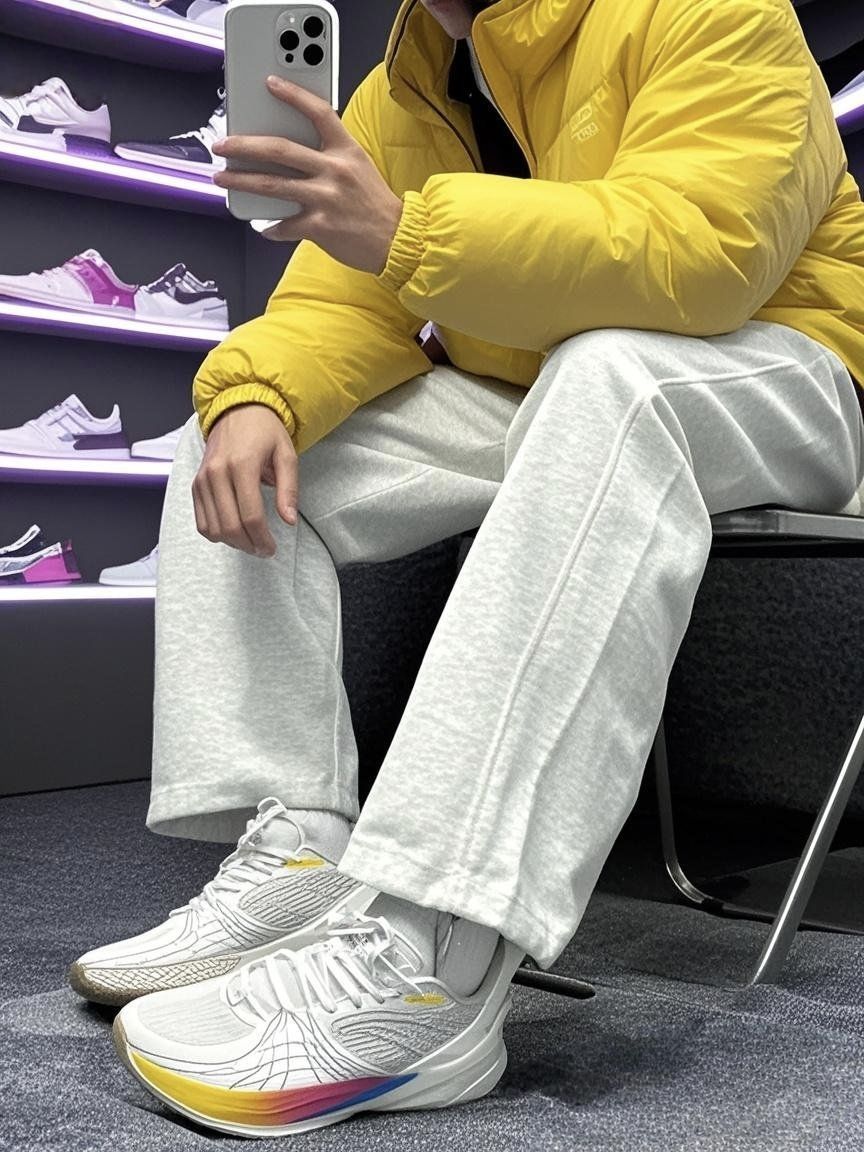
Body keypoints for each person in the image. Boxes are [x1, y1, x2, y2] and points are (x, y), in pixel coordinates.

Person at [70, 0, 864, 1137]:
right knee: (239, 430)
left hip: (787, 369)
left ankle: (428, 959)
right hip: (542, 386)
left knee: (615, 377)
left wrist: (406, 229)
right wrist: (259, 391)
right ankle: (298, 857)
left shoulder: (711, 8)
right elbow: (343, 301)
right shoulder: (400, 85)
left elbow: (707, 255)